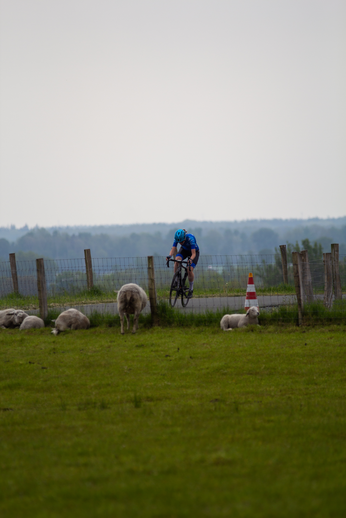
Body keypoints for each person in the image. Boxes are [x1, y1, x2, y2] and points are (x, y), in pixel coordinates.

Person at [166, 229, 200, 298]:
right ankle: (176, 280)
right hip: (184, 250)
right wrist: (169, 256)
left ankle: (191, 289)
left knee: (189, 269)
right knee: (177, 261)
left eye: (182, 241)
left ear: (184, 237)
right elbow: (173, 249)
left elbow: (193, 254)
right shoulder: (177, 239)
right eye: (179, 242)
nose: (180, 243)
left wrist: (190, 259)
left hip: (193, 252)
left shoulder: (191, 238)